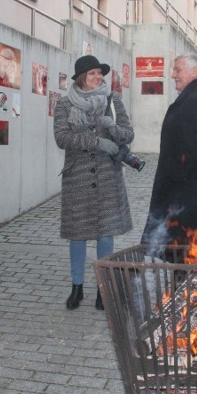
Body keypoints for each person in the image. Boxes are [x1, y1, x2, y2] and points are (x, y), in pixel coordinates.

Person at [54, 55, 134, 311]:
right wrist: (96, 142)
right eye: (92, 74)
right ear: (81, 78)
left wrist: (111, 128)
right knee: (77, 236)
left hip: (108, 177)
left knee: (105, 234)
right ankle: (76, 286)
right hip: (77, 177)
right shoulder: (65, 104)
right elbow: (61, 137)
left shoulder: (112, 101)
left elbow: (128, 134)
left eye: (100, 73)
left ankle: (104, 288)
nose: (98, 78)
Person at [142, 53, 197, 255]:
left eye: (178, 70)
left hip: (183, 195)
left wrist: (173, 187)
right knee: (179, 251)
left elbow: (190, 153)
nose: (173, 75)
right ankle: (179, 283)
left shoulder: (195, 102)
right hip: (181, 193)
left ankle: (183, 285)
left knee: (184, 249)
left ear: (194, 72)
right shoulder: (192, 98)